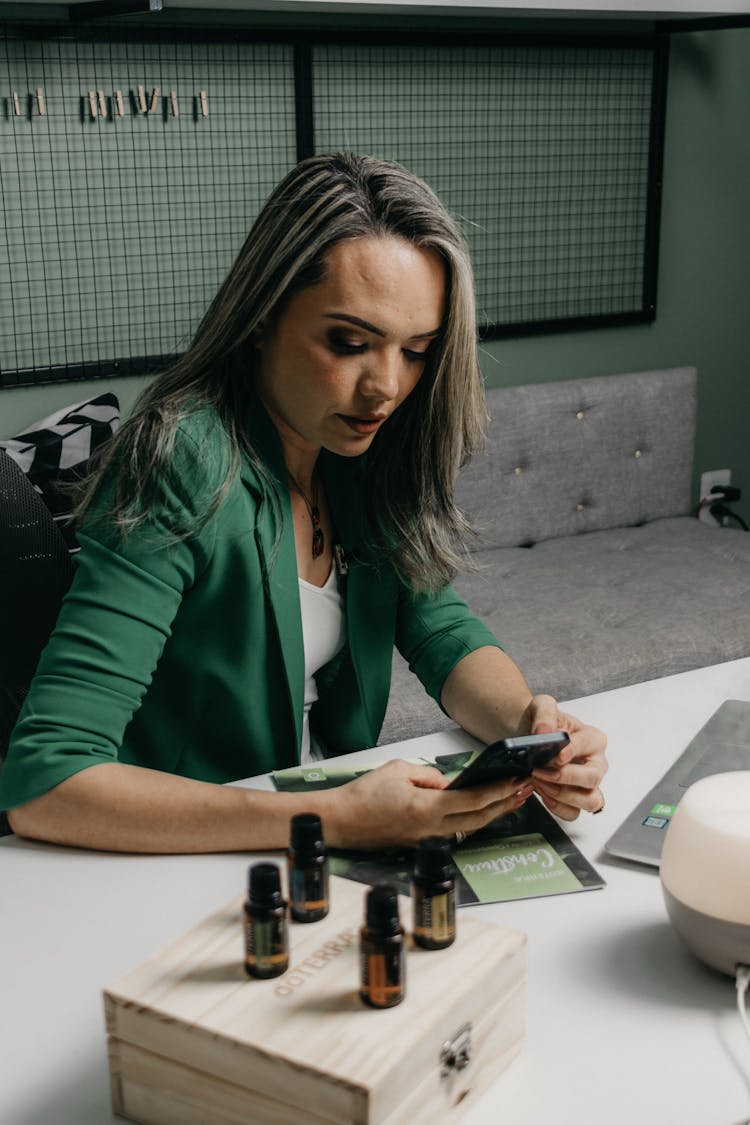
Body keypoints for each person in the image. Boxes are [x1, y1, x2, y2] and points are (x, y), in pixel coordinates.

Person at [1, 152, 607, 853]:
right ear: (261, 318)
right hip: (194, 857)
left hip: (329, 837)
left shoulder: (362, 451)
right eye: (350, 343)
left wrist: (534, 727)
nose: (386, 386)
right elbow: (45, 781)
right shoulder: (181, 461)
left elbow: (442, 631)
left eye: (416, 350)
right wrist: (337, 816)